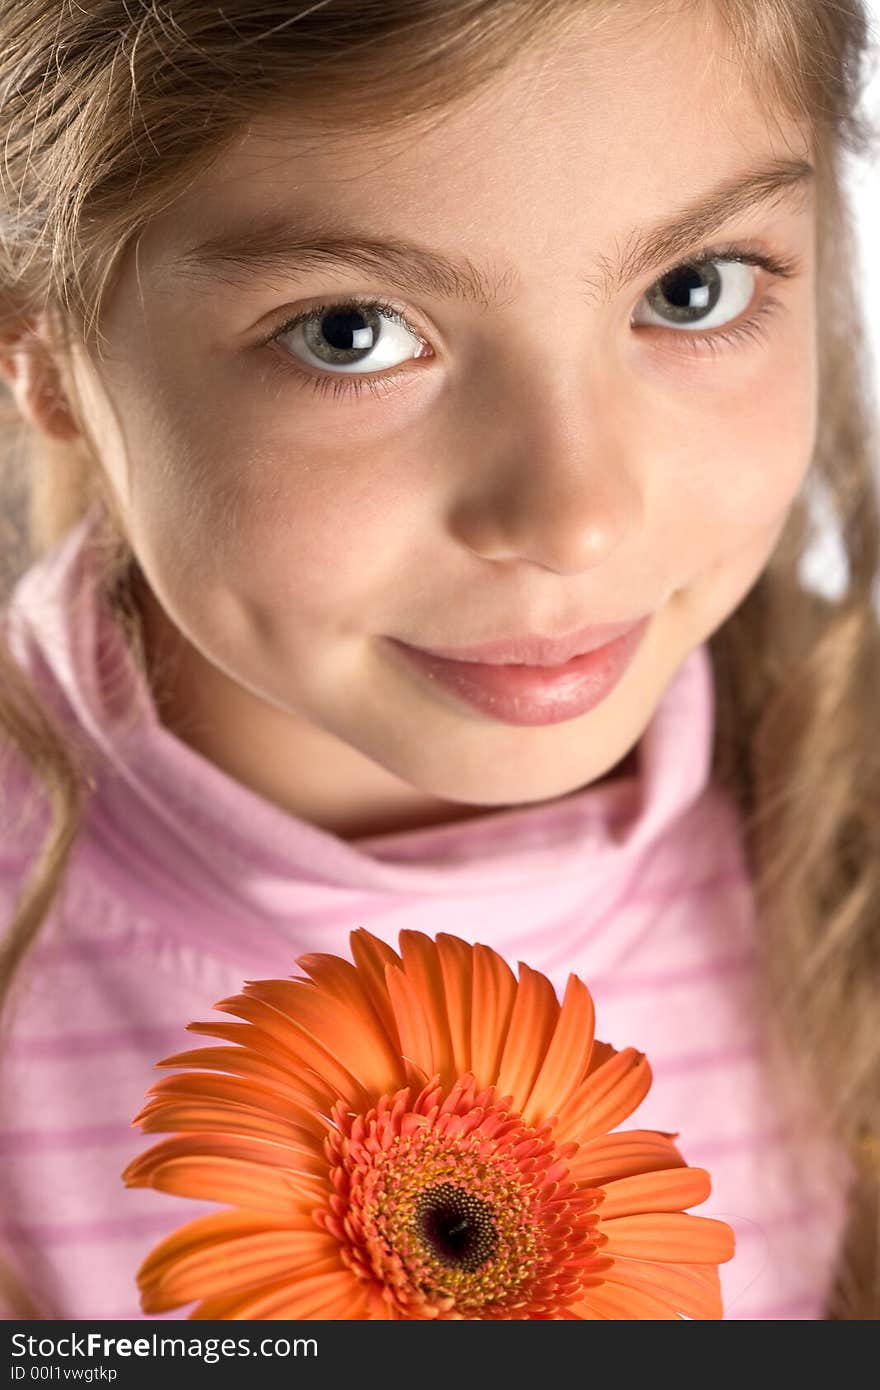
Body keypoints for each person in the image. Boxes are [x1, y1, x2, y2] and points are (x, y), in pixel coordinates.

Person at [0, 0, 878, 1321]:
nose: (574, 515)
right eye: (350, 329)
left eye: (689, 290)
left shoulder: (846, 823)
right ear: (45, 348)